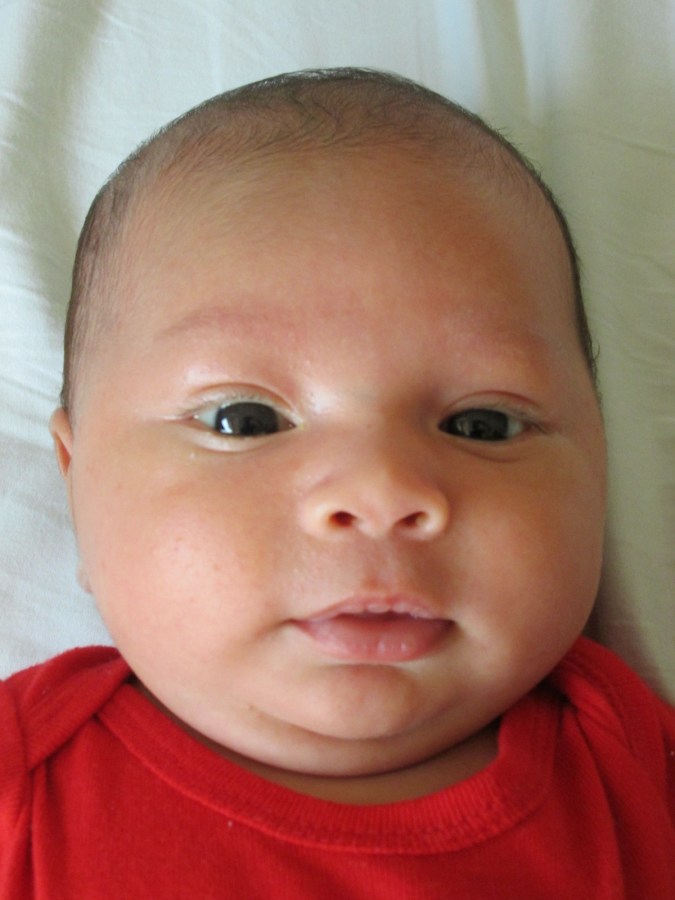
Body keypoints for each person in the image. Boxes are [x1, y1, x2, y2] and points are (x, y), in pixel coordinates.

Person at [0, 68, 673, 898]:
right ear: (77, 485)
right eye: (243, 420)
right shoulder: (23, 784)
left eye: (481, 425)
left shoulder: (629, 768)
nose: (380, 492)